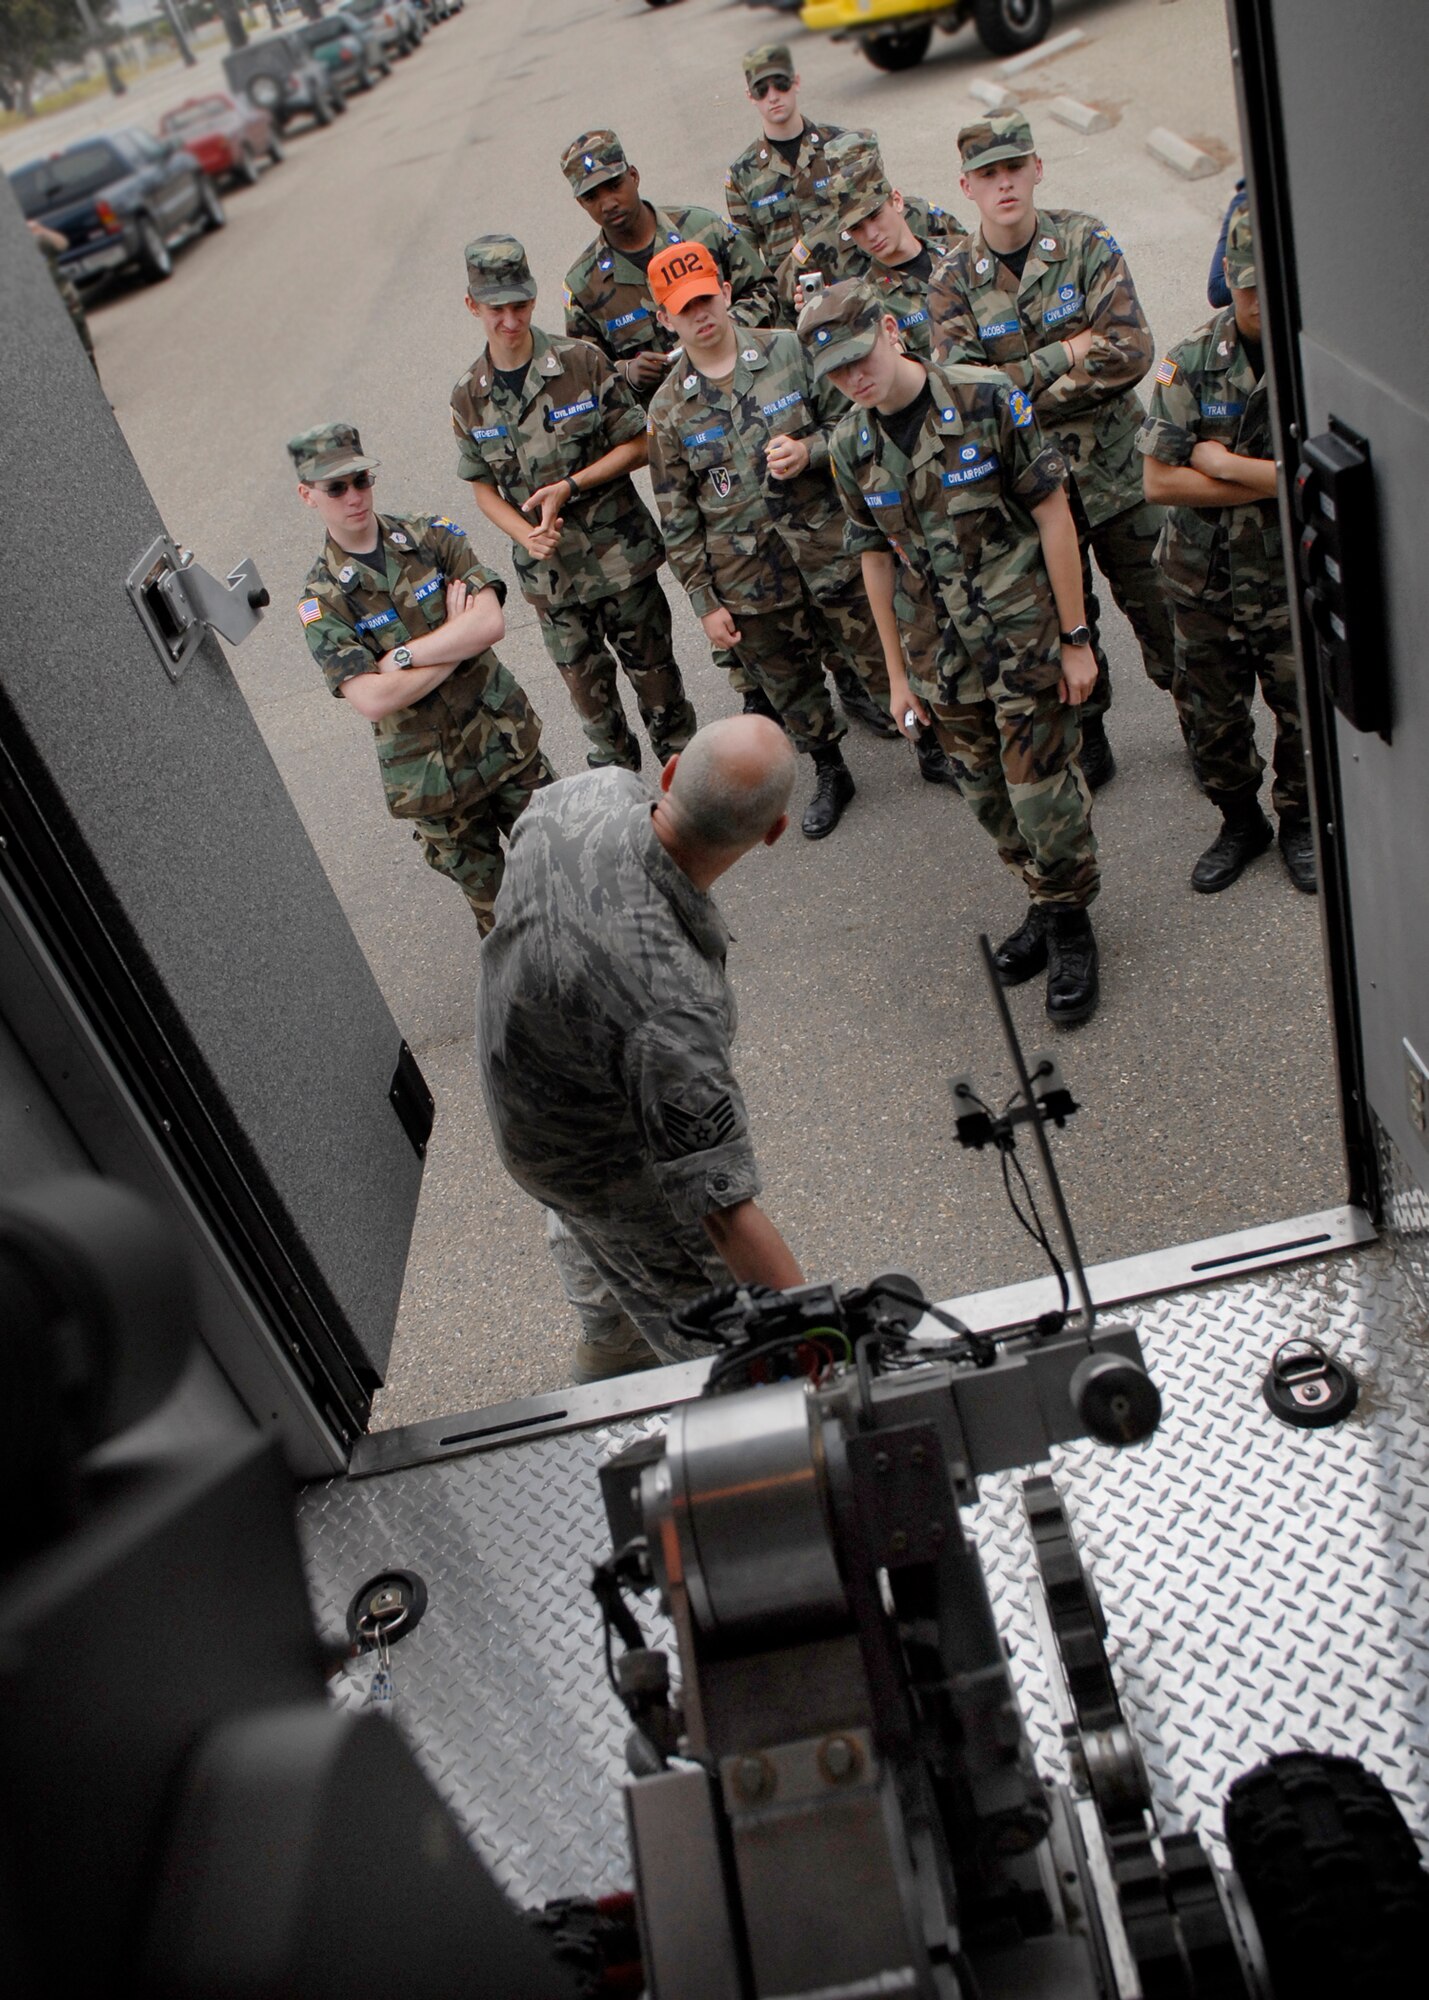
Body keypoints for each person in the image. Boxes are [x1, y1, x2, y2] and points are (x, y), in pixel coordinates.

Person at [806, 281, 1103, 1024]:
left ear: (888, 330)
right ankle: (1040, 898)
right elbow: (873, 558)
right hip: (940, 660)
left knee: (1043, 799)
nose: (853, 379)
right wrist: (896, 680)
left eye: (858, 356)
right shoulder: (850, 445)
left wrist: (1076, 640)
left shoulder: (986, 398)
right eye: (836, 373)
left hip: (1021, 640)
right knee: (989, 801)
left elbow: (1053, 515)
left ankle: (1070, 926)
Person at [477, 716, 805, 1384]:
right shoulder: (671, 1007)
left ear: (668, 772)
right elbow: (721, 1211)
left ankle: (609, 1344)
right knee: (704, 1318)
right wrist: (815, 1337)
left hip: (530, 1084)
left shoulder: (584, 794)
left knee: (583, 1229)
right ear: (773, 832)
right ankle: (668, 1383)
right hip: (596, 1152)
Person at [929, 115, 1186, 792]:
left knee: (1160, 606)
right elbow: (963, 398)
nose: (1003, 183)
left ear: (1036, 168)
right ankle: (1091, 731)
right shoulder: (952, 278)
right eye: (987, 174)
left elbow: (1130, 349)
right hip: (1036, 492)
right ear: (965, 186)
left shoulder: (1082, 239)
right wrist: (1065, 352)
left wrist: (1021, 391)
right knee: (1072, 621)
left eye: (1014, 167)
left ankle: (1201, 723)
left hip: (1116, 475)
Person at [647, 241, 891, 838]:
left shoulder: (787, 349)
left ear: (726, 293)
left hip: (832, 549)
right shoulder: (668, 409)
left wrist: (809, 452)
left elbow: (856, 426)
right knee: (791, 683)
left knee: (880, 654)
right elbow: (677, 516)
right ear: (665, 319)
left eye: (707, 298)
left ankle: (926, 739)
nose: (701, 315)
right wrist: (705, 603)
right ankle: (831, 769)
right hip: (750, 580)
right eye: (685, 308)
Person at [451, 233, 696, 774]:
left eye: (519, 306)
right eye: (496, 310)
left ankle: (693, 808)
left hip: (620, 561)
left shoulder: (580, 361)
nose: (509, 321)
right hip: (552, 581)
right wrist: (523, 535)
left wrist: (573, 485)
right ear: (473, 306)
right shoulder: (469, 395)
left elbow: (639, 442)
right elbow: (482, 487)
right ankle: (622, 816)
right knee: (597, 719)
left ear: (533, 299)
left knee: (663, 698)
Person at [291, 422, 551, 932]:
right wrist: (457, 638)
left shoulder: (431, 535)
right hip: (434, 783)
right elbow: (369, 696)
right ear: (307, 495)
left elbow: (490, 622)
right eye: (336, 488)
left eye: (361, 479)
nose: (354, 497)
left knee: (565, 868)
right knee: (505, 922)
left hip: (505, 739)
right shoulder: (320, 599)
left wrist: (406, 657)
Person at [1140, 208, 1314, 895]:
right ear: (1226, 286)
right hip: (1201, 581)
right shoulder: (1187, 364)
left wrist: (1226, 467)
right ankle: (1240, 822)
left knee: (1301, 712)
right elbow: (1158, 480)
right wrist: (1277, 482)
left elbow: (1325, 483)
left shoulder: (1313, 358)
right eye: (1243, 286)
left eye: (1265, 283)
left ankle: (1299, 822)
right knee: (1211, 721)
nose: (1255, 300)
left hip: (1287, 581)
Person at [562, 129, 777, 404]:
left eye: (615, 185)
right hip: (673, 419)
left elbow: (765, 290)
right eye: (592, 197)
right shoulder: (584, 285)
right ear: (581, 203)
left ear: (634, 176)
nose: (608, 204)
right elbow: (585, 372)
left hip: (750, 388)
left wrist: (723, 327)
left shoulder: (702, 230)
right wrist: (626, 372)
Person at [826, 133, 966, 364]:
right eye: (857, 228)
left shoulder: (960, 251)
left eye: (875, 216)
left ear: (897, 201)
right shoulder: (869, 303)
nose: (871, 234)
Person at [724, 42, 846, 274]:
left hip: (853, 292)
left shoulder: (840, 145)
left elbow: (874, 218)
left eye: (780, 84)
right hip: (791, 304)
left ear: (796, 82)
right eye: (761, 89)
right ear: (750, 96)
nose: (773, 96)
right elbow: (748, 264)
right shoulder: (742, 176)